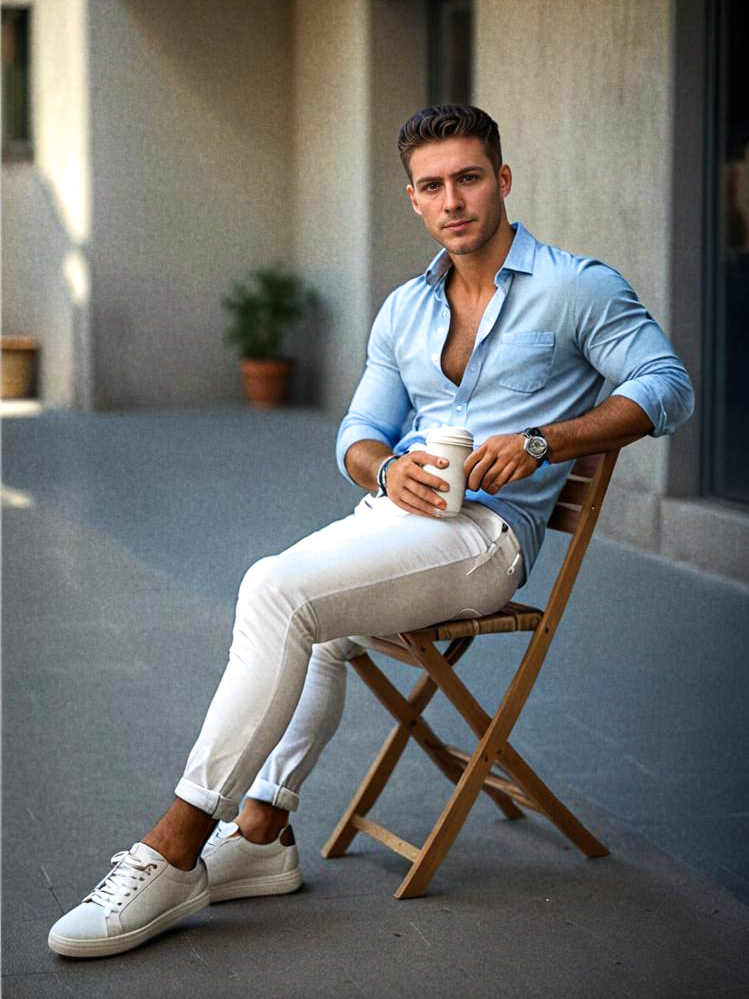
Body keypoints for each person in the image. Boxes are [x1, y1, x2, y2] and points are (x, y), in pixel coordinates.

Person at [48, 105, 694, 958]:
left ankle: (173, 846)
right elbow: (356, 432)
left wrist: (545, 440)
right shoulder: (404, 310)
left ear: (501, 181)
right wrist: (387, 470)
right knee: (305, 618)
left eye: (468, 177)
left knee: (274, 587)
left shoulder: (578, 286)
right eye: (432, 186)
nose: (452, 199)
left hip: (487, 540)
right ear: (413, 200)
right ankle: (263, 831)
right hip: (397, 517)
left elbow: (667, 385)